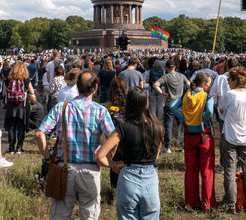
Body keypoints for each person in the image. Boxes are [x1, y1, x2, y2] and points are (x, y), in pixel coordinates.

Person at [35, 70, 115, 220]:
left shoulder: (61, 108)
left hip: (64, 168)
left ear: (77, 87)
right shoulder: (101, 111)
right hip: (90, 170)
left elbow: (39, 134)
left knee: (60, 215)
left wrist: (48, 157)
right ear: (96, 88)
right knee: (90, 214)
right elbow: (113, 137)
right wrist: (108, 160)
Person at [96, 86, 164, 220]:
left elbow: (99, 156)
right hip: (150, 177)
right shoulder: (158, 127)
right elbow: (156, 155)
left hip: (129, 178)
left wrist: (113, 165)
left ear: (128, 104)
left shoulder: (123, 128)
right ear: (146, 103)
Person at [170, 72, 216, 212]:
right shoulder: (207, 97)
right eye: (208, 84)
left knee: (190, 171)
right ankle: (207, 203)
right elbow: (209, 111)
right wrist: (201, 119)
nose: (209, 86)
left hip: (189, 135)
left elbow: (172, 107)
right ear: (203, 84)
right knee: (207, 171)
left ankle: (191, 202)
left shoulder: (186, 96)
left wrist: (184, 118)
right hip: (204, 135)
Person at [219, 66, 246, 214]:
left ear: (235, 80)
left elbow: (222, 112)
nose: (227, 82)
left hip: (230, 136)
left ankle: (231, 204)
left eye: (229, 80)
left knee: (230, 169)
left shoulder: (230, 94)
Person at [153, 60, 189, 153]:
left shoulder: (165, 77)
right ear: (175, 67)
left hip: (169, 104)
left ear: (166, 67)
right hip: (180, 104)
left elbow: (155, 85)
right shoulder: (181, 76)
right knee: (181, 125)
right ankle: (183, 146)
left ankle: (167, 147)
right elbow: (190, 85)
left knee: (168, 126)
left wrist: (162, 93)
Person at [4, 61, 36, 154]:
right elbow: (32, 92)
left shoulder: (8, 80)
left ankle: (10, 148)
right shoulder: (25, 79)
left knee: (11, 127)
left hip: (11, 106)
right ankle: (19, 148)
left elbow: (4, 93)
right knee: (21, 127)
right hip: (22, 105)